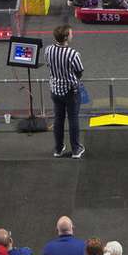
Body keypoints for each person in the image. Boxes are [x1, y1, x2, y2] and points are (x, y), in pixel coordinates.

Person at [44, 26, 86, 158]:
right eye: (71, 34)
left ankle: (58, 148)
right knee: (73, 119)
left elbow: (49, 65)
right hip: (70, 91)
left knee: (58, 119)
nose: (73, 35)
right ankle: (75, 150)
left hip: (55, 90)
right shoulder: (73, 54)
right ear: (66, 37)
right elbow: (79, 71)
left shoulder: (48, 50)